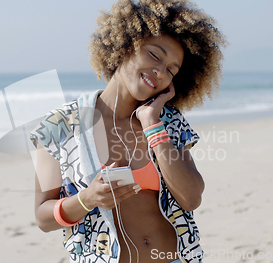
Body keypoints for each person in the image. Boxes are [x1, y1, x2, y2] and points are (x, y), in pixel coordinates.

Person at [29, 0, 225, 262]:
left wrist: (152, 124)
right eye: (154, 55)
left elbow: (191, 198)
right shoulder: (59, 125)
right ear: (125, 46)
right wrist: (87, 199)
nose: (159, 72)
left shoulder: (168, 121)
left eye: (170, 70)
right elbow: (43, 217)